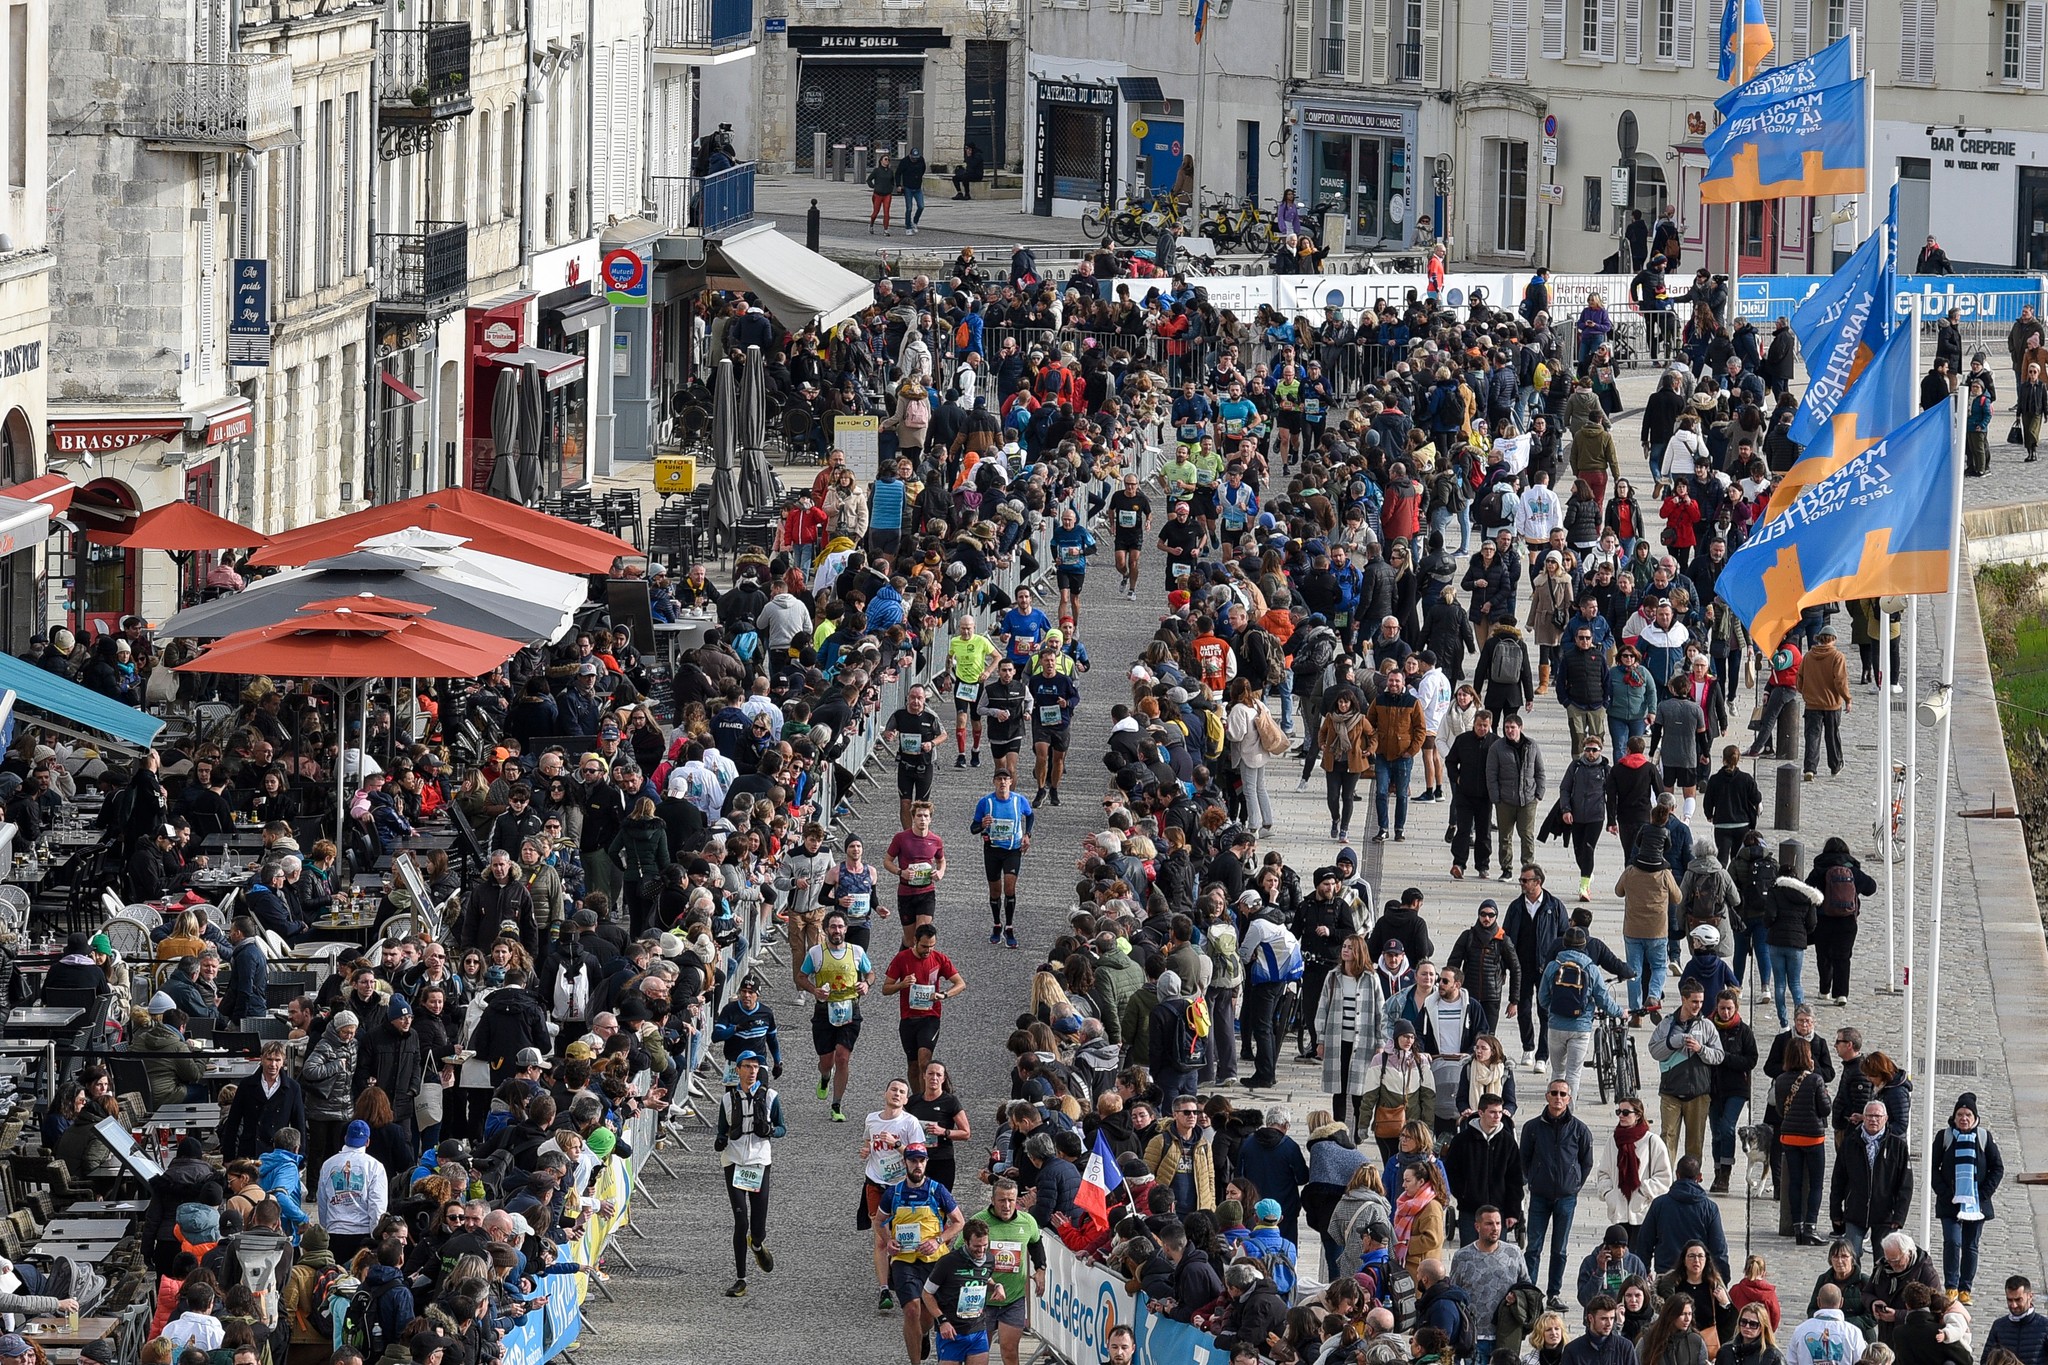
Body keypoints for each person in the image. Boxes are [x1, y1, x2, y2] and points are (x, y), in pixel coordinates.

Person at [877, 1142, 967, 1362]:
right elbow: (879, 1221)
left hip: (933, 1261)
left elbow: (959, 1222)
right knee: (911, 1310)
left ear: (926, 1163)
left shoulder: (937, 1190)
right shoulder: (894, 1193)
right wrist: (888, 1241)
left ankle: (924, 1332)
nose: (918, 1165)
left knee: (926, 1316)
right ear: (905, 1162)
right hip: (903, 1261)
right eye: (913, 1160)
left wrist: (938, 1241)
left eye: (921, 1161)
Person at [714, 1050, 785, 1298]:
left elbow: (783, 1127)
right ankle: (740, 1278)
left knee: (757, 1225)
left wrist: (772, 1130)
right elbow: (722, 1129)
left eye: (756, 1067)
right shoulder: (727, 1099)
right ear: (738, 1070)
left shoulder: (771, 1097)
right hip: (734, 1161)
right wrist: (720, 1140)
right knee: (740, 1220)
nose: (752, 1071)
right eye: (748, 1066)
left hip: (759, 1162)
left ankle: (756, 1243)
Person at [1522, 1078, 1595, 1309]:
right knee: (1533, 1247)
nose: (1558, 1098)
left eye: (1563, 1094)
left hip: (1566, 1197)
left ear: (1569, 1098)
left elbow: (1586, 1161)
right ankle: (1530, 1292)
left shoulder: (1579, 1129)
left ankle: (1554, 1293)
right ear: (1547, 1096)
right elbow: (1524, 1159)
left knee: (1560, 1249)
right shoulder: (1532, 1128)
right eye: (1554, 1093)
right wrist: (1533, 1178)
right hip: (1539, 1196)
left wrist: (1574, 1184)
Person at [1930, 1093, 2003, 1304]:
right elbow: (1933, 1167)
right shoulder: (1944, 1137)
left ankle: (1965, 1289)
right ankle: (1951, 1286)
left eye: (1968, 1114)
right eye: (1960, 1114)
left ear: (1975, 1117)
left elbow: (1997, 1168)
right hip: (1950, 1202)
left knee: (1971, 1246)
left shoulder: (1983, 1137)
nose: (1964, 1118)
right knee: (1952, 1242)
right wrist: (1944, 1192)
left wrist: (1982, 1195)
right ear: (1954, 1117)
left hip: (1976, 1204)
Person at [801, 910, 873, 1121]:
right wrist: (814, 990)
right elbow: (801, 976)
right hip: (824, 1011)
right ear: (825, 930)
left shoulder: (856, 951)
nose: (837, 931)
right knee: (826, 1062)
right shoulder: (816, 953)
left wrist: (866, 984)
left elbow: (871, 973)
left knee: (842, 1057)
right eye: (833, 927)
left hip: (850, 1008)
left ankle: (836, 1105)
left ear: (846, 929)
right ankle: (825, 1077)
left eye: (840, 927)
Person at [1830, 1101, 1910, 1266]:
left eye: (1877, 1116)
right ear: (1863, 1118)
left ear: (1885, 1118)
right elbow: (1838, 1179)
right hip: (1855, 1211)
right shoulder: (1850, 1143)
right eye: (1869, 1116)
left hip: (1885, 1213)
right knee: (1850, 1256)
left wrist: (1899, 1215)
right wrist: (1835, 1211)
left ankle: (1879, 1291)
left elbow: (1905, 1184)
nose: (1873, 1120)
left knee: (1884, 1259)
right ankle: (1854, 1290)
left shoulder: (1897, 1146)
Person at [1637, 1156, 1730, 1280]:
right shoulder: (1710, 1208)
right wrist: (1722, 1280)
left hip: (1666, 1276)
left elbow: (1644, 1242)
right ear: (1699, 1177)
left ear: (1677, 1175)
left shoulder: (1659, 1205)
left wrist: (1644, 1272)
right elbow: (1719, 1249)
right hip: (1697, 1277)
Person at [1787, 1284, 1867, 1365]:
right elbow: (1862, 1361)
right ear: (1841, 1302)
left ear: (1818, 1302)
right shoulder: (1853, 1332)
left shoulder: (1800, 1330)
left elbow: (1790, 1361)